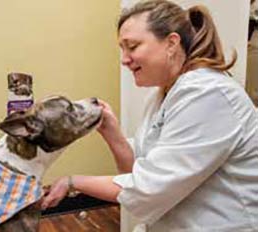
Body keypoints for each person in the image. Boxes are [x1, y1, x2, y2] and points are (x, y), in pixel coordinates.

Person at [42, 0, 258, 231]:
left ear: (172, 43)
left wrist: (73, 182)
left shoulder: (209, 93)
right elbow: (136, 172)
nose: (124, 59)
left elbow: (148, 187)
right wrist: (112, 132)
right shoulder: (164, 94)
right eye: (122, 49)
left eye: (132, 46)